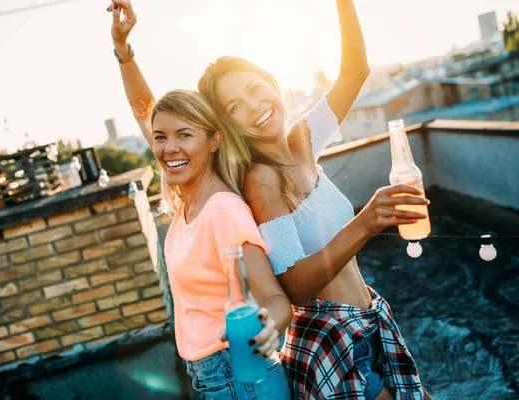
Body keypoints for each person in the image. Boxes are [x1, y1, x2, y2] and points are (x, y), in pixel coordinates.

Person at [108, 0, 432, 398]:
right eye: (235, 108)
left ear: (273, 83)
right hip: (334, 340)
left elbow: (356, 71)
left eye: (255, 89)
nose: (255, 107)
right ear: (226, 126)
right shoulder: (259, 179)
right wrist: (365, 222)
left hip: (370, 317)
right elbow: (295, 286)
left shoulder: (302, 138)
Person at [107, 3, 293, 399]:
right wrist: (123, 49)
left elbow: (276, 299)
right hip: (215, 377)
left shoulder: (222, 209)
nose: (169, 147)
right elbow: (146, 111)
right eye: (160, 137)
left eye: (185, 135)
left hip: (241, 376)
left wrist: (268, 329)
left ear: (214, 140)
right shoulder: (189, 202)